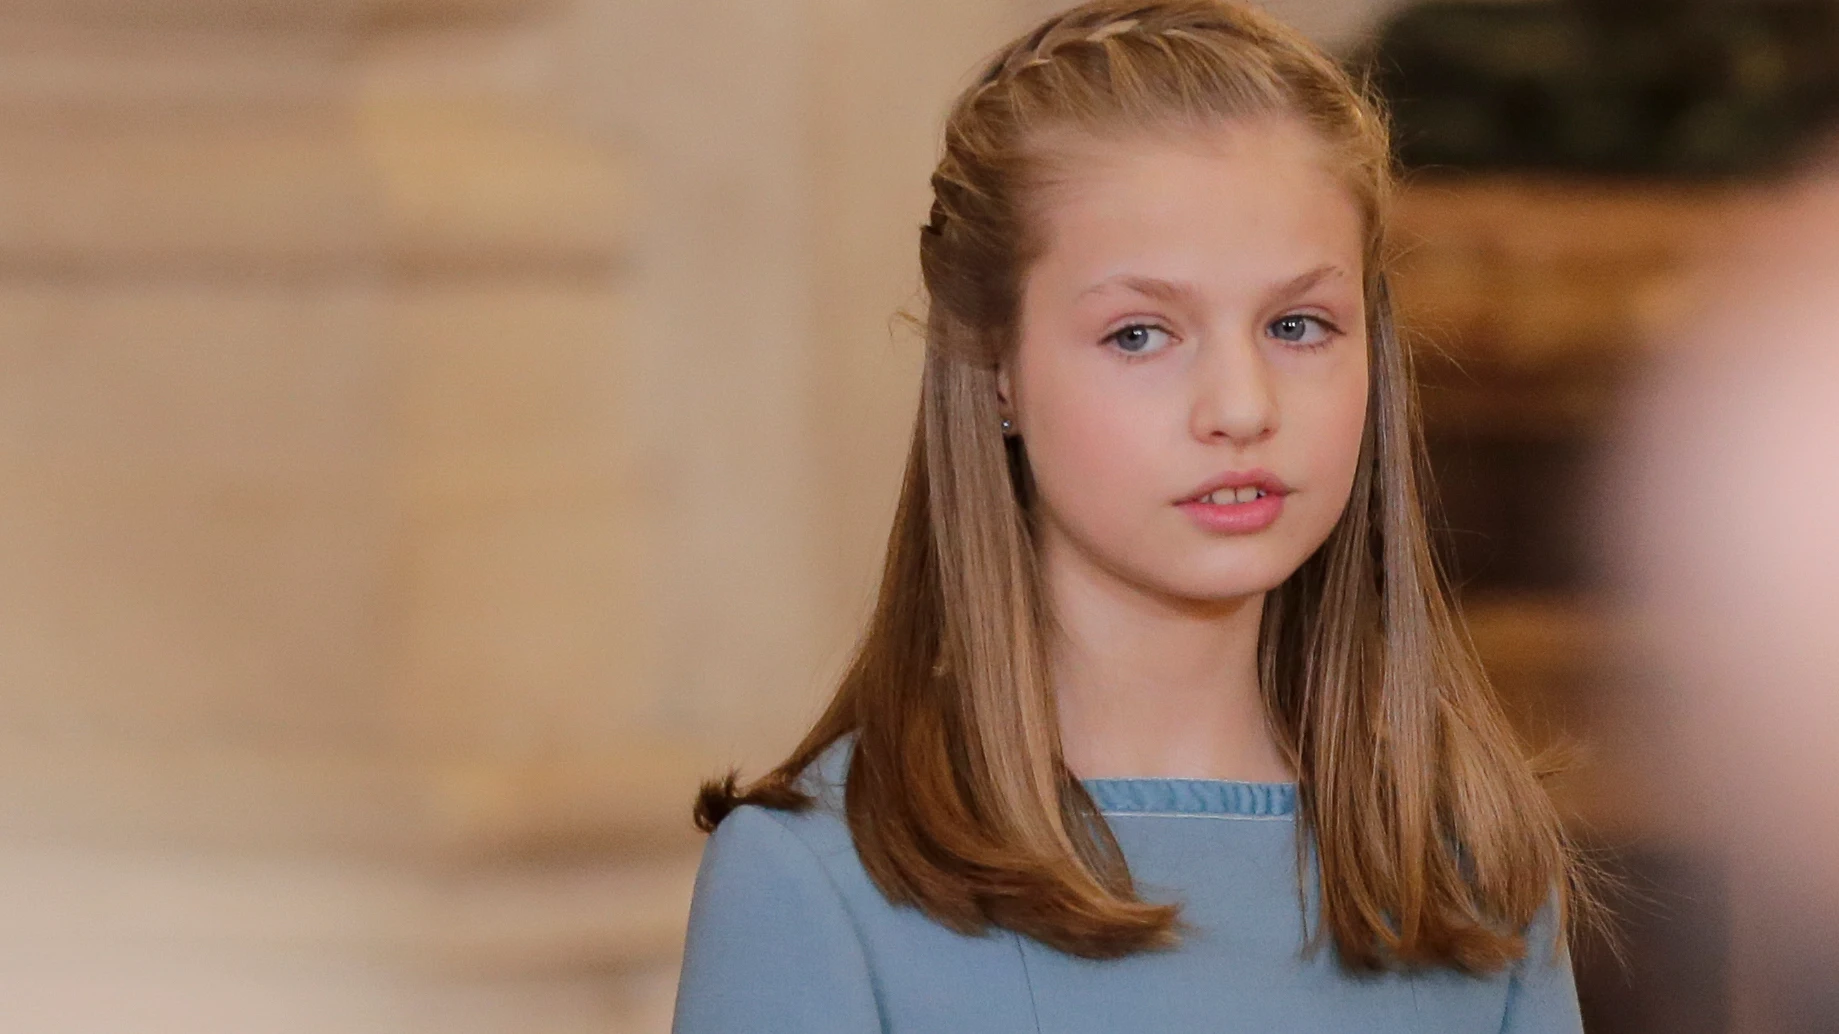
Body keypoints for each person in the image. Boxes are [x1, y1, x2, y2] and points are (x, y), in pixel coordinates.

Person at [671, 2, 1591, 1031]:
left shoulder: (1476, 875)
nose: (1242, 406)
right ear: (995, 364)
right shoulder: (819, 885)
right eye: (1141, 333)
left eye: (1297, 323)